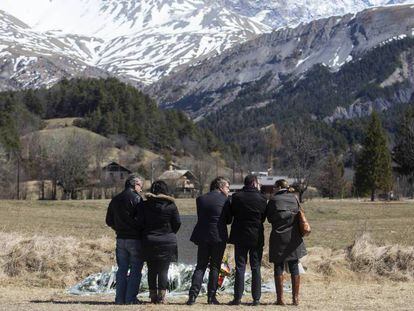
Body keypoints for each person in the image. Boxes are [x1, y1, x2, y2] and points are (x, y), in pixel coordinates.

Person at [186, 177, 232, 306]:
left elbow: (201, 217)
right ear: (221, 187)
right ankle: (211, 297)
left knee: (200, 266)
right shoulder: (225, 200)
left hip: (203, 235)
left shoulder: (201, 199)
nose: (228, 190)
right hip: (218, 236)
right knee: (215, 267)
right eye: (227, 187)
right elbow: (228, 220)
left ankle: (192, 296)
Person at [265, 179, 307, 306]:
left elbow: (269, 219)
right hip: (293, 237)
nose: (273, 189)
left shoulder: (273, 200)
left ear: (278, 187)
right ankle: (295, 299)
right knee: (294, 266)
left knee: (278, 267)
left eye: (274, 187)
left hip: (278, 237)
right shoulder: (294, 198)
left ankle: (280, 299)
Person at [139, 180, 181, 304]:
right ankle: (162, 297)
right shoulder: (171, 206)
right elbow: (177, 223)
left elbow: (140, 222)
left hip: (149, 240)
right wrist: (170, 232)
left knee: (151, 269)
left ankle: (152, 296)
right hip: (167, 241)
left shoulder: (145, 205)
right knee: (163, 270)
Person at [228, 174, 267, 306]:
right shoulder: (262, 198)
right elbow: (263, 218)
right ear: (254, 183)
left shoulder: (236, 197)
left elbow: (232, 214)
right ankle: (256, 298)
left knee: (240, 266)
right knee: (256, 267)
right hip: (256, 235)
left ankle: (237, 297)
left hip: (240, 235)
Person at [105, 174, 144, 305]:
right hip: (135, 239)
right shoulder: (137, 199)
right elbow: (142, 220)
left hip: (120, 238)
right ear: (134, 185)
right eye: (140, 186)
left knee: (121, 269)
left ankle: (119, 299)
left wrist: (118, 228)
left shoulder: (115, 199)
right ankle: (131, 298)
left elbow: (108, 220)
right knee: (135, 269)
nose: (141, 189)